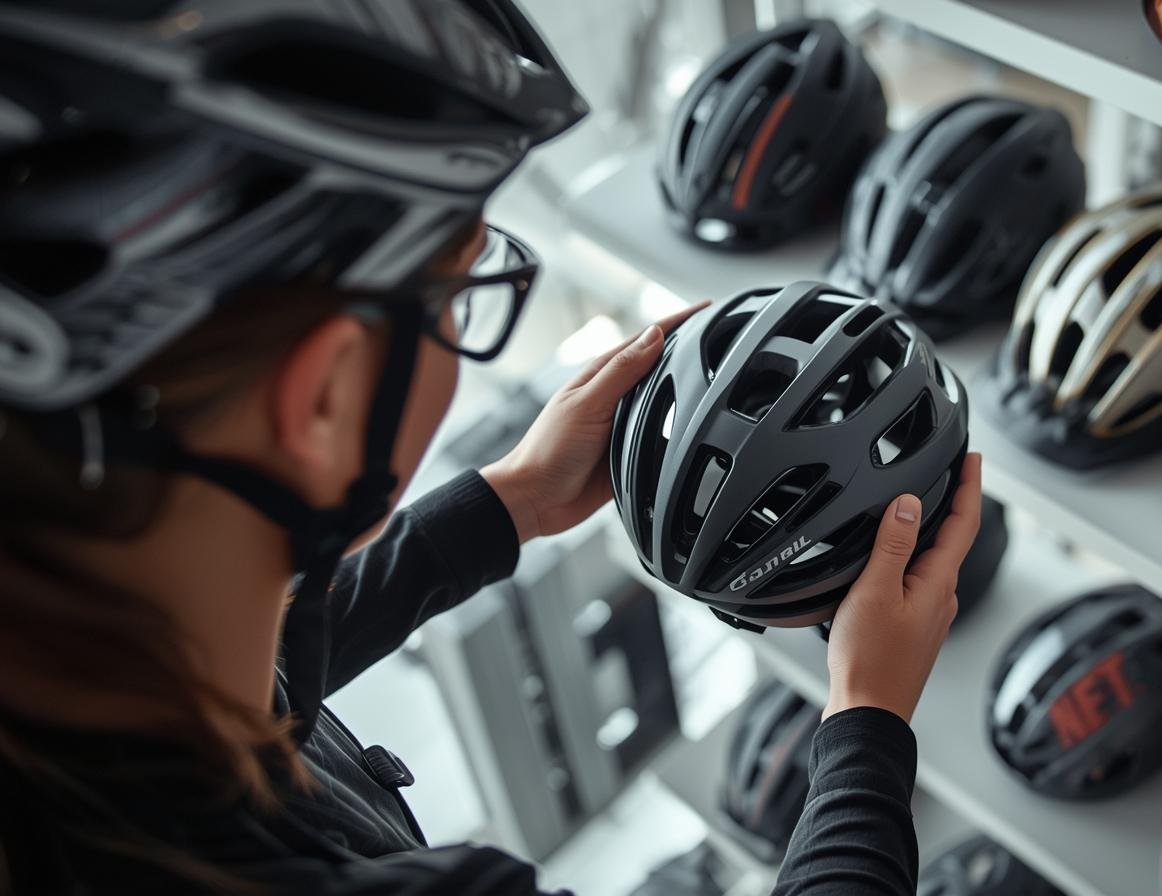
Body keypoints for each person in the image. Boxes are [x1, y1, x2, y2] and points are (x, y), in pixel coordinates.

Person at [0, 2, 981, 894]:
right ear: (328, 395)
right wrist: (866, 714)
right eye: (456, 298)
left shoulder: (82, 688)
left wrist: (506, 503)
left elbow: (262, 687)